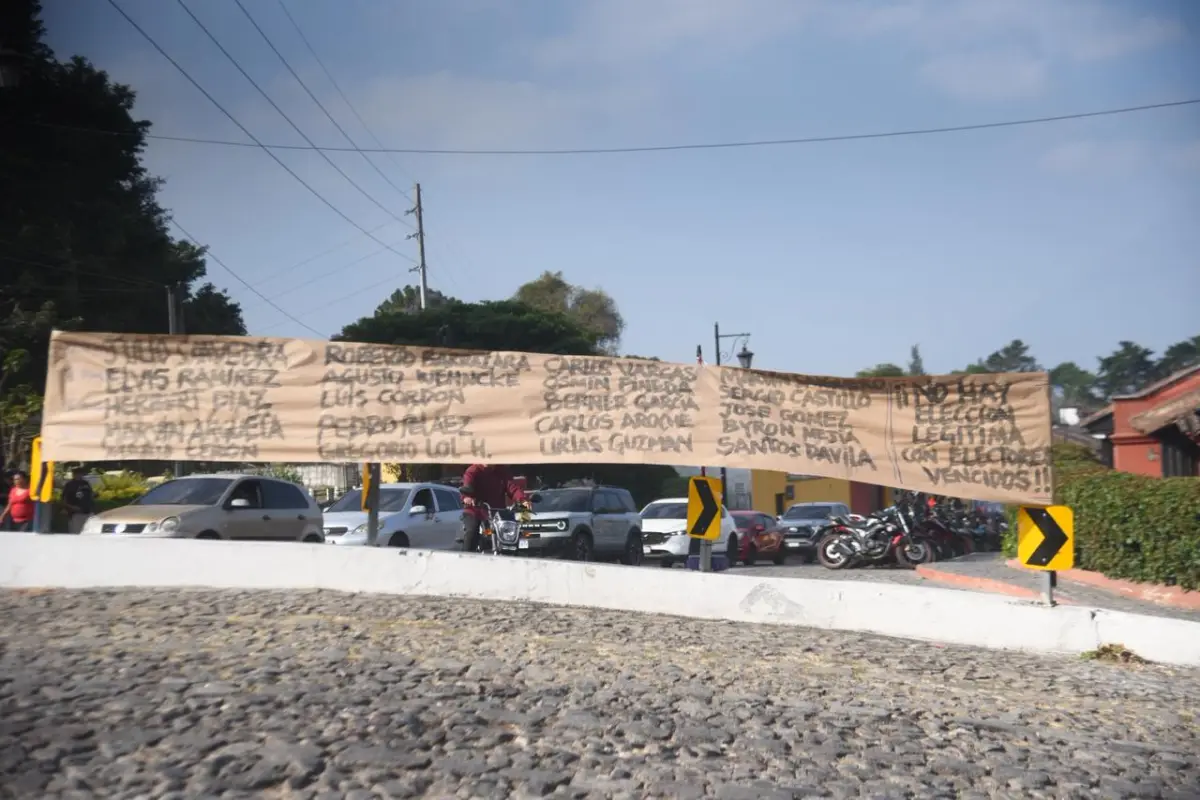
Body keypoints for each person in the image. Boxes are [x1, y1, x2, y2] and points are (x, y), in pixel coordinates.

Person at [458, 463, 528, 552]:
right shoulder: (473, 470)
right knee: (472, 531)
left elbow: (513, 489)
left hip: (496, 512)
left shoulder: (502, 471)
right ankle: (466, 558)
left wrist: (522, 500)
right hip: (475, 510)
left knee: (509, 531)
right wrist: (467, 497)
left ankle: (510, 553)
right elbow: (467, 485)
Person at [62, 466, 95, 534]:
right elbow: (64, 499)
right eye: (77, 473)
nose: (79, 475)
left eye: (81, 473)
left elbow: (90, 495)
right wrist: (70, 507)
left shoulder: (85, 483)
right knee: (76, 533)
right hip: (75, 514)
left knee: (88, 532)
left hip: (87, 512)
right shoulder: (70, 485)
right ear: (74, 474)